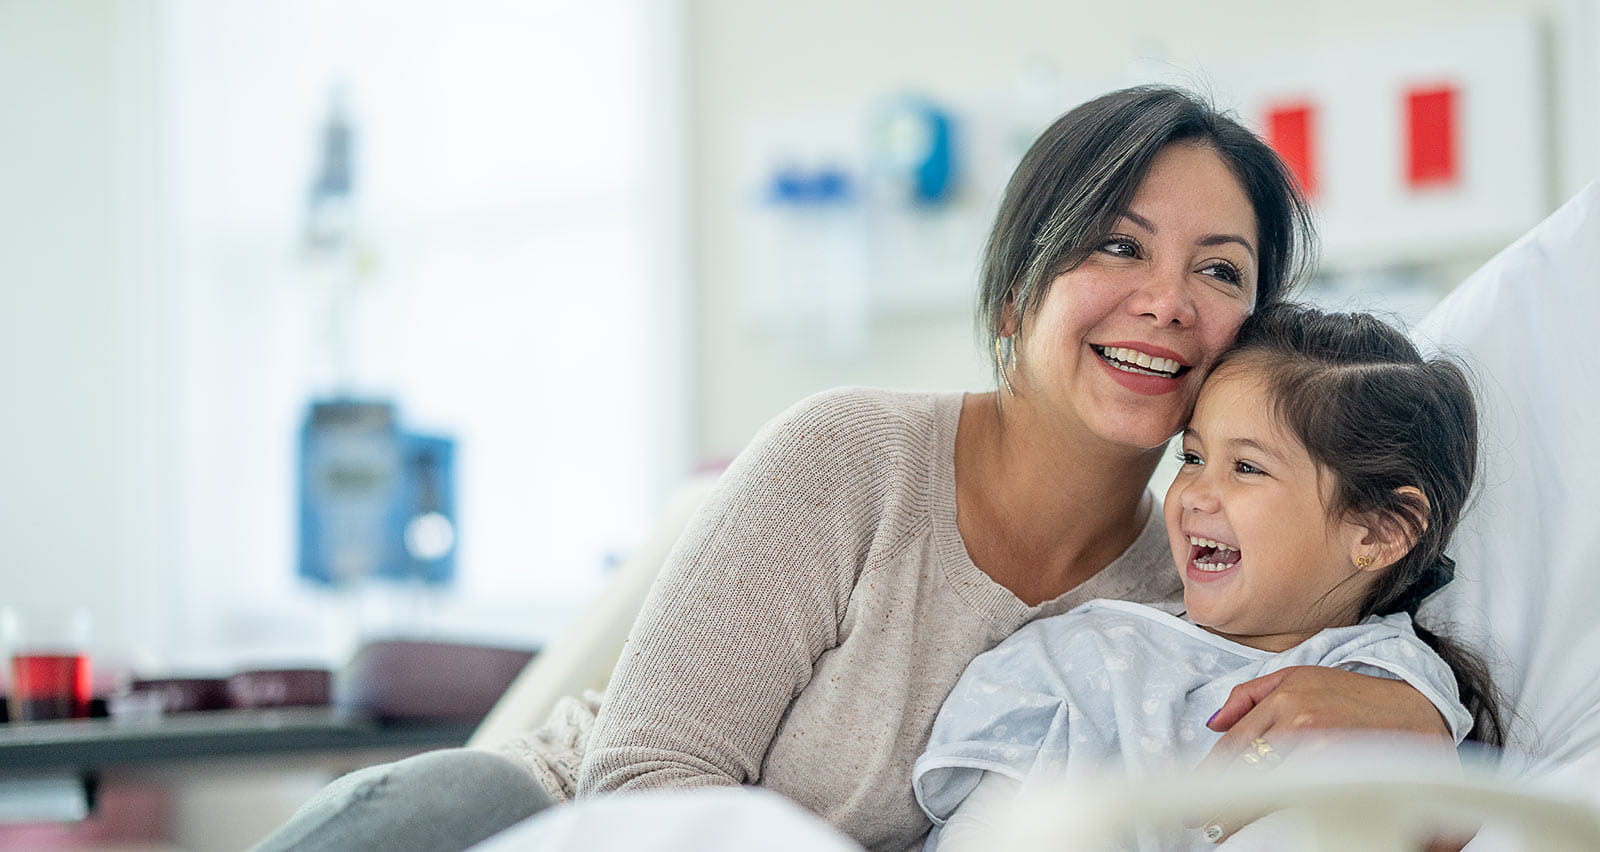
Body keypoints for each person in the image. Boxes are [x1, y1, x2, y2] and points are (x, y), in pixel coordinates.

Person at [251, 86, 1456, 852]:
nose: (1165, 301)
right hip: (546, 824)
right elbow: (645, 780)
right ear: (1015, 284)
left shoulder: (1184, 607)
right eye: (1116, 244)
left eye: (1220, 271)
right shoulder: (850, 457)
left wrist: (1417, 720)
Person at [912, 304, 1505, 850]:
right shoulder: (1081, 660)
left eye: (1247, 467)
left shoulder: (1385, 686)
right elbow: (991, 829)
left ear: (1380, 532)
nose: (1194, 494)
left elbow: (1430, 824)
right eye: (1192, 458)